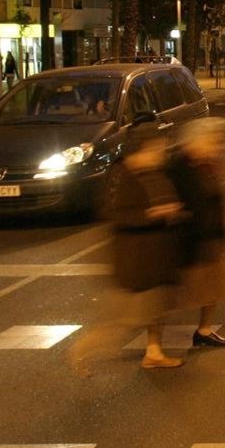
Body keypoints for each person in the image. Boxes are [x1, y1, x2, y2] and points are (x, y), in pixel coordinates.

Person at [68, 125, 188, 374]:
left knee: (156, 310)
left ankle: (154, 352)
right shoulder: (121, 174)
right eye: (156, 148)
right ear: (141, 149)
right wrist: (151, 214)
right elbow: (114, 214)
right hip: (135, 260)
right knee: (124, 321)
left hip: (155, 255)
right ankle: (82, 351)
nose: (161, 152)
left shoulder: (153, 172)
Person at [166, 118, 225, 349]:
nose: (219, 146)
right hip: (187, 240)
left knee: (212, 287)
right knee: (169, 295)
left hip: (208, 238)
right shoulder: (179, 166)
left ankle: (204, 330)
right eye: (214, 141)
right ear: (197, 141)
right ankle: (152, 342)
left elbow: (216, 200)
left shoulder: (208, 164)